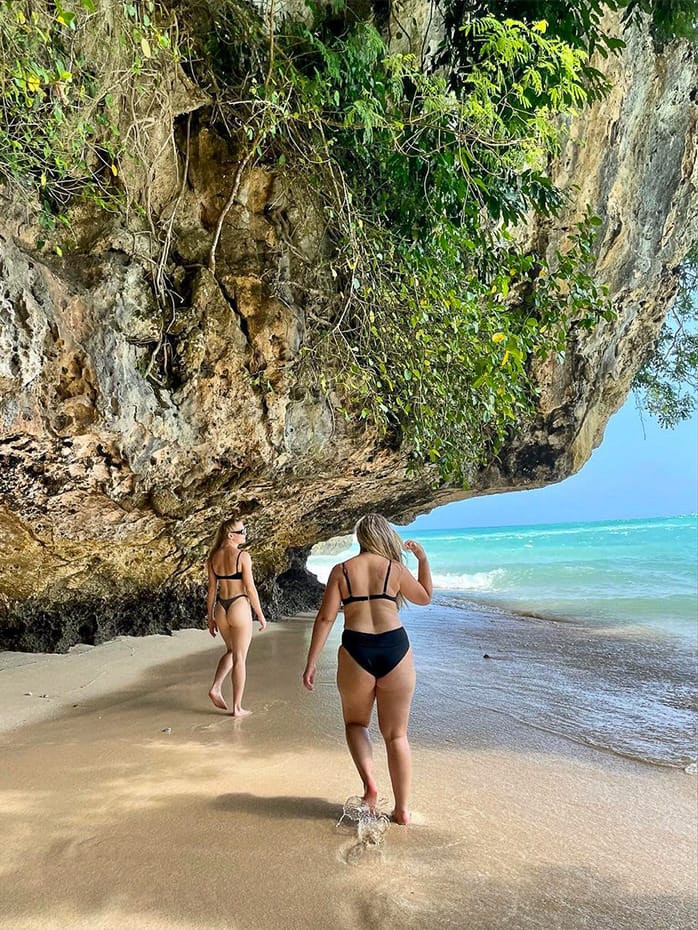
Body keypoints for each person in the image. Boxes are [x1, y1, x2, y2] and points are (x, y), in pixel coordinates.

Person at [302, 513, 432, 825]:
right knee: (396, 735)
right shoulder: (395, 569)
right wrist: (423, 559)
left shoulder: (342, 570)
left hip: (356, 649)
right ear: (385, 536)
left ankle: (370, 786)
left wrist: (312, 662)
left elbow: (325, 618)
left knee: (356, 724)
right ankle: (402, 810)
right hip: (395, 648)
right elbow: (425, 597)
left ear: (360, 537)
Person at [207, 517, 266, 717]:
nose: (245, 534)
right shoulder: (242, 556)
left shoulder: (213, 557)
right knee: (240, 658)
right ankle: (237, 708)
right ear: (230, 535)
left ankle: (216, 687)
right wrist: (260, 613)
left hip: (221, 608)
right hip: (238, 605)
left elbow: (211, 590)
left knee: (232, 651)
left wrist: (210, 617)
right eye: (242, 531)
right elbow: (250, 588)